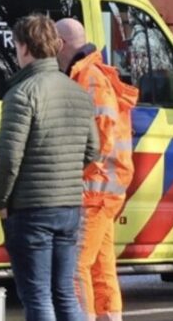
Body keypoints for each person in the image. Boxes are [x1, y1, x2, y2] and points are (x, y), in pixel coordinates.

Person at [0, 14, 99, 321]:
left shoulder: (21, 94)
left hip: (30, 209)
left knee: (37, 297)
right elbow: (93, 149)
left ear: (24, 48)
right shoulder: (77, 91)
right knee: (64, 293)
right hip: (69, 207)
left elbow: (9, 158)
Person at [56, 18, 139, 321]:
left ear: (60, 43)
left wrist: (75, 173)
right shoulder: (90, 73)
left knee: (75, 265)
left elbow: (100, 139)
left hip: (95, 189)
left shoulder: (88, 77)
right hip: (105, 188)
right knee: (101, 267)